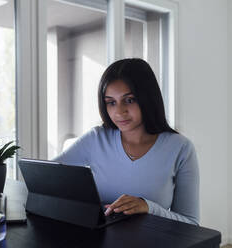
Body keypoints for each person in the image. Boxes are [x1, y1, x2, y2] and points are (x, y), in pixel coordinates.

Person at [53, 58, 199, 225]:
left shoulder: (181, 148)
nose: (119, 112)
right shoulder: (96, 139)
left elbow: (191, 223)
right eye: (111, 102)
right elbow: (45, 178)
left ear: (148, 98)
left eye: (129, 100)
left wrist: (148, 207)